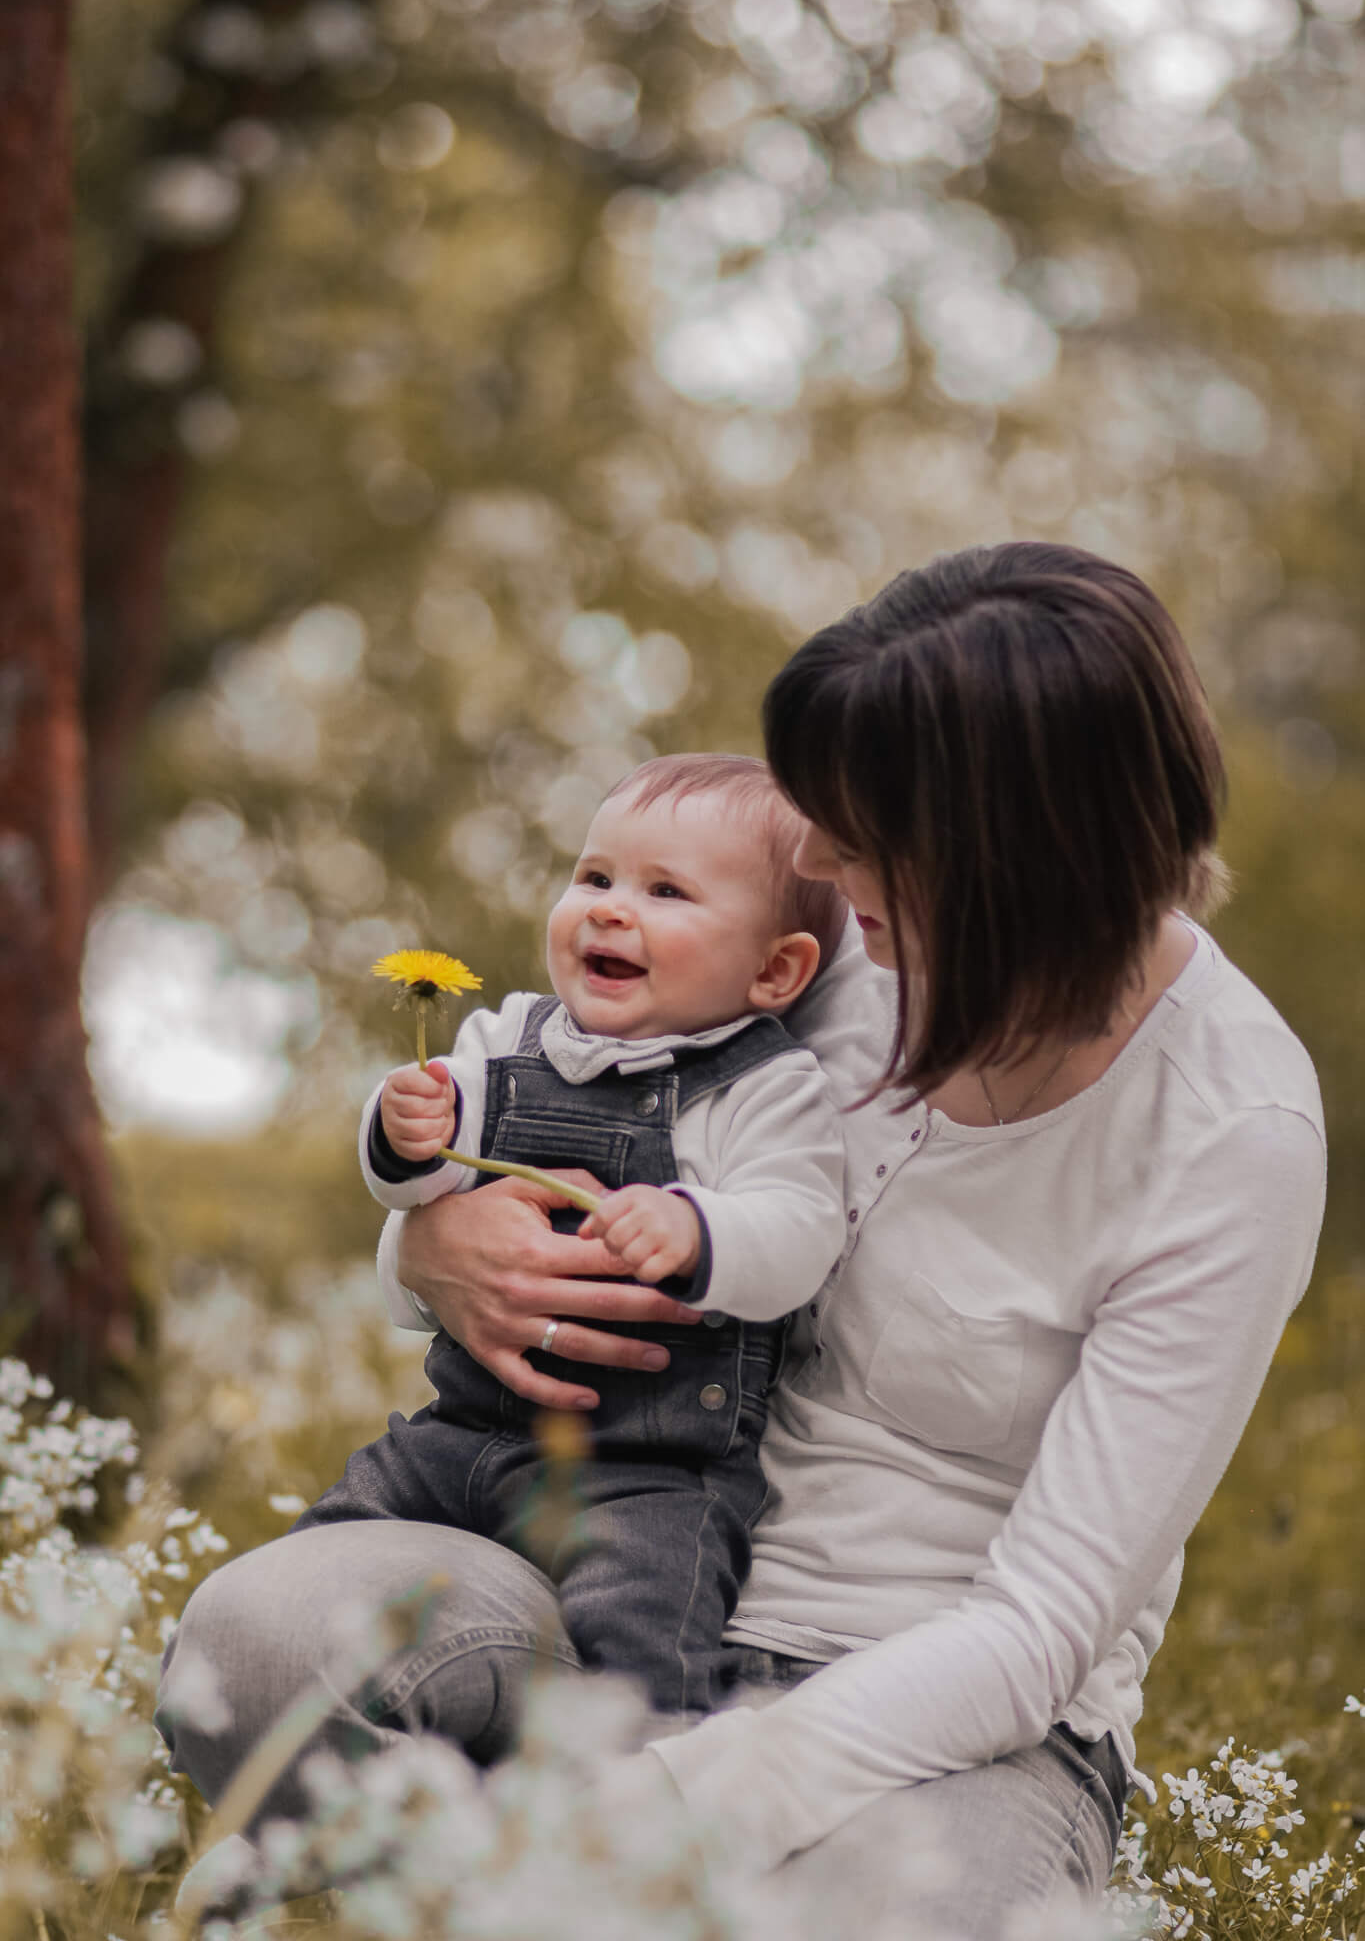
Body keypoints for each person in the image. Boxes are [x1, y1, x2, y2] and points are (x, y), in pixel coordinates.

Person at [158, 543, 1326, 1937]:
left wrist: (675, 1801)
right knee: (256, 1647)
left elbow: (1036, 1632)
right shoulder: (845, 957)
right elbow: (552, 1123)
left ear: (1013, 853)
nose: (816, 863)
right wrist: (431, 1256)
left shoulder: (1230, 1132)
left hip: (936, 1724)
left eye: (862, 830)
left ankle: (531, 1885)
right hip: (607, 1585)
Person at [292, 752, 849, 1717]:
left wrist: (699, 1229)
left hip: (645, 1476)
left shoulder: (767, 1088)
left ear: (774, 969)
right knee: (316, 1571)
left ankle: (647, 1787)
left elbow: (801, 1233)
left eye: (665, 892)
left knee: (641, 1643)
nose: (609, 909)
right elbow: (425, 1186)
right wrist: (400, 1135)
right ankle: (282, 1775)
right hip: (460, 1434)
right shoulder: (505, 1039)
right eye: (594, 877)